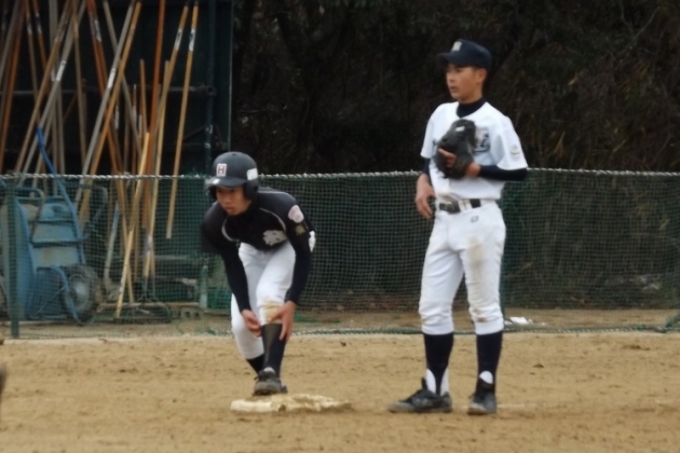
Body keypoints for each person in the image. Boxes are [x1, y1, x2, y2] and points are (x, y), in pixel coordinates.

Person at [389, 39, 528, 415]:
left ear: (480, 75)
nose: (451, 76)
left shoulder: (496, 122)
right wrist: (423, 182)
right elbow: (428, 161)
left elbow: (519, 171)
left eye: (459, 69)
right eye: (449, 70)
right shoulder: (440, 114)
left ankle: (485, 390)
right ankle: (436, 390)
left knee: (483, 308)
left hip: (480, 219)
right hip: (444, 220)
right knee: (431, 307)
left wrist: (476, 169)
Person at [200, 151, 316, 395]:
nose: (225, 198)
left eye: (232, 190)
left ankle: (272, 371)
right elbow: (232, 264)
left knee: (268, 292)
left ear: (250, 188)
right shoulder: (214, 221)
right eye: (220, 191)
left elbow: (303, 254)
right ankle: (267, 378)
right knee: (241, 326)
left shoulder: (282, 206)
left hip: (290, 246)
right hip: (253, 249)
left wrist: (292, 302)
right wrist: (244, 306)